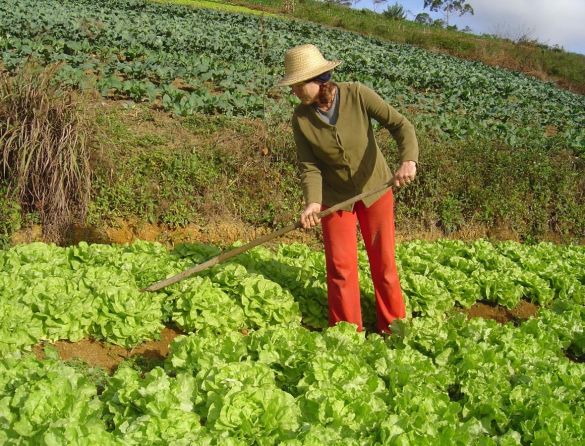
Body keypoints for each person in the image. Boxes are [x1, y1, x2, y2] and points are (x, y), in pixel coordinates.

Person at [278, 44, 419, 333]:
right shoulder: (301, 118)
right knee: (340, 267)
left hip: (376, 188)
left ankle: (393, 328)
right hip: (335, 198)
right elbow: (310, 165)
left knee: (384, 263)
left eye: (296, 85)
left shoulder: (357, 94)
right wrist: (313, 203)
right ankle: (347, 333)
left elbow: (401, 125)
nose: (294, 91)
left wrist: (408, 160)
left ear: (316, 80)